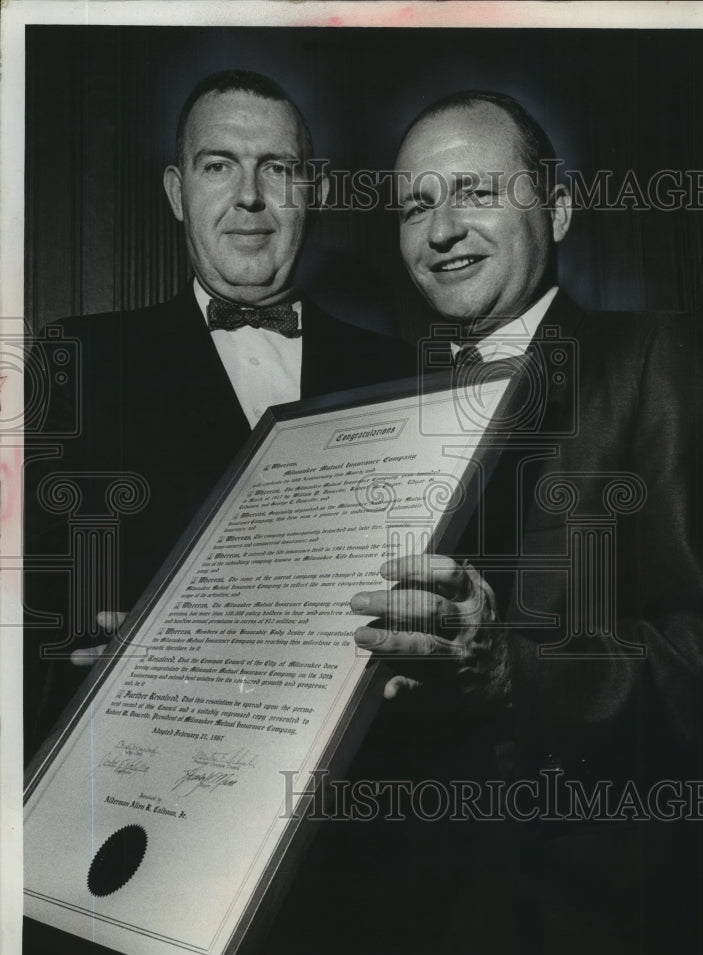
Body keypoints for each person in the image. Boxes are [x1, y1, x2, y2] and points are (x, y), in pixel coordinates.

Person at [343, 91, 703, 955]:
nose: (441, 228)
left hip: (592, 920)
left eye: (476, 191)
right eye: (415, 204)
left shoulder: (659, 357)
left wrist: (510, 669)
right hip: (398, 912)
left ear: (556, 206)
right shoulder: (378, 407)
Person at [23, 69, 413, 764]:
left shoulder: (402, 373)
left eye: (278, 169)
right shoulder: (76, 359)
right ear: (178, 192)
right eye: (219, 166)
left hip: (351, 787)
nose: (250, 197)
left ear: (312, 192)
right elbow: (31, 598)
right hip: (143, 768)